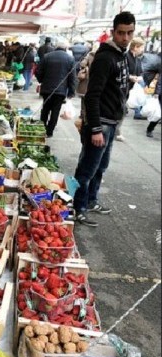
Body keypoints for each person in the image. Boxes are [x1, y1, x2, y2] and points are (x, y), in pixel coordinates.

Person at [73, 11, 135, 227]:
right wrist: (96, 128)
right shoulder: (105, 58)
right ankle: (77, 207)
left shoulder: (123, 55)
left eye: (129, 33)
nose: (125, 37)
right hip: (101, 124)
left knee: (101, 167)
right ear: (113, 32)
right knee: (87, 168)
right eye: (121, 33)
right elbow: (92, 95)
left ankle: (91, 200)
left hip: (112, 122)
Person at [35, 39, 77, 137]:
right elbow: (72, 77)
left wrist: (41, 81)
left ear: (56, 47)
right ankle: (49, 132)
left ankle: (42, 128)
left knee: (45, 109)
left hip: (46, 88)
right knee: (55, 111)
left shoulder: (47, 56)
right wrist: (71, 91)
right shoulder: (70, 59)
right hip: (60, 91)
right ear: (65, 48)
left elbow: (38, 71)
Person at [76, 42, 99, 119]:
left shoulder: (90, 55)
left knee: (84, 100)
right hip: (97, 81)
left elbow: (82, 64)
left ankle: (83, 114)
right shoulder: (102, 56)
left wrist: (86, 67)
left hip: (87, 81)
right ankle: (92, 115)